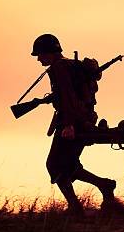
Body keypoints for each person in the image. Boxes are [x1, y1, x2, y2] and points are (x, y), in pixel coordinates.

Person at [31, 34, 116, 215]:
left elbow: (69, 96)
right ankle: (103, 186)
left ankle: (76, 207)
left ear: (50, 53)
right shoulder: (69, 65)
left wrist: (69, 125)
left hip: (72, 122)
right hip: (83, 119)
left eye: (40, 54)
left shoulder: (59, 68)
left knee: (54, 165)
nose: (38, 58)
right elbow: (70, 94)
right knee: (67, 165)